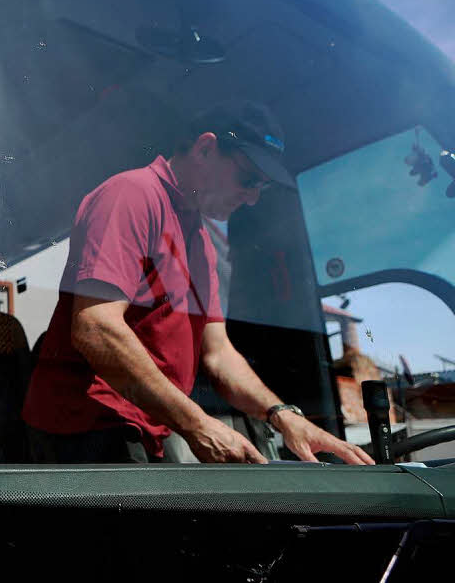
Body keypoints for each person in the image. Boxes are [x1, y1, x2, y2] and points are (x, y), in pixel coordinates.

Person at [21, 100, 374, 465]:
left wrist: (283, 415)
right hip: (85, 431)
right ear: (205, 149)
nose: (252, 198)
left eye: (261, 188)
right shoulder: (133, 194)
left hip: (142, 431)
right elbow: (96, 326)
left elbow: (218, 353)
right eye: (249, 179)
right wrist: (198, 424)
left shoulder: (201, 242)